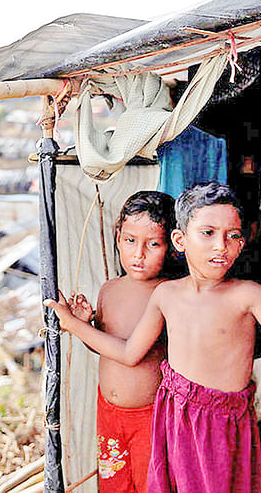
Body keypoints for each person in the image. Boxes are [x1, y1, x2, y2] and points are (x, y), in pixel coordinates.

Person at [45, 182, 261, 493]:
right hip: (174, 419)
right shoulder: (166, 295)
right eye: (207, 233)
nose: (220, 246)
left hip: (222, 425)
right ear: (180, 240)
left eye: (232, 235)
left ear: (242, 242)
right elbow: (130, 352)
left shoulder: (248, 295)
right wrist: (76, 325)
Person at [67, 190, 181, 493]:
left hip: (150, 416)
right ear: (117, 238)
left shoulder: (167, 293)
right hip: (109, 412)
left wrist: (74, 327)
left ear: (171, 247)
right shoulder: (109, 289)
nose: (138, 253)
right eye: (130, 240)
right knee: (114, 486)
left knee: (152, 485)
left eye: (153, 244)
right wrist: (85, 323)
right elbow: (105, 348)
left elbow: (132, 355)